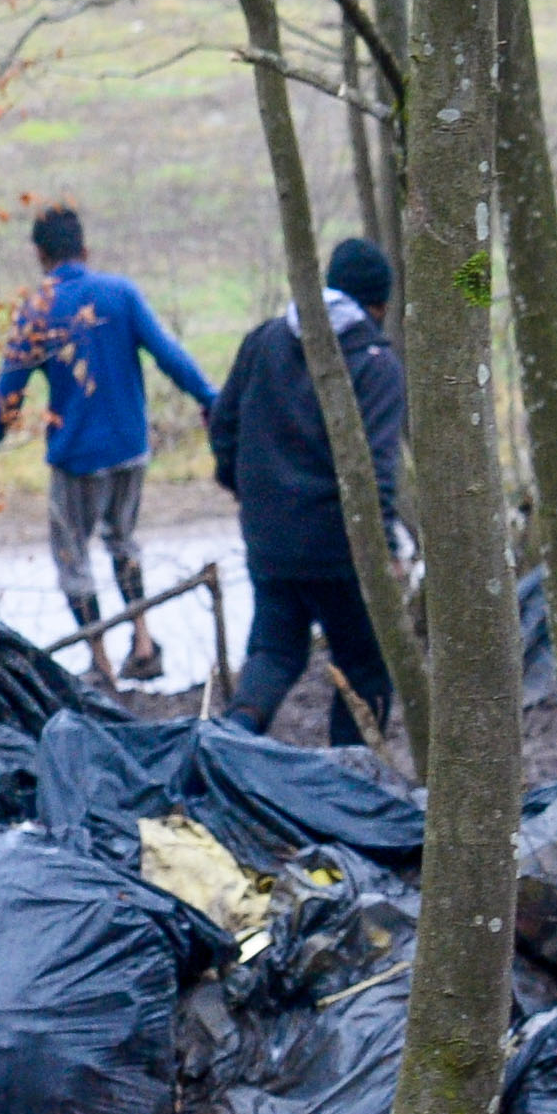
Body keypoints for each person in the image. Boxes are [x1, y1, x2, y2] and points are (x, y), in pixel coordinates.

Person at [0, 206, 212, 681]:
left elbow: (10, 389)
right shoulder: (121, 293)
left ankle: (101, 662)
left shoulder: (37, 309)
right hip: (131, 448)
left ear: (40, 255)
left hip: (77, 457)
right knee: (123, 541)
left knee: (73, 556)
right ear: (85, 251)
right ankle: (144, 641)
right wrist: (210, 398)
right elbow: (169, 354)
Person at [206, 238, 406, 745]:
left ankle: (229, 744)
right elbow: (378, 472)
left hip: (269, 537)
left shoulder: (264, 341)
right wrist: (383, 546)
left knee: (274, 650)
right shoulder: (376, 364)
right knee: (365, 665)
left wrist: (247, 492)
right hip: (340, 549)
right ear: (376, 305)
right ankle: (348, 779)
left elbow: (222, 427)